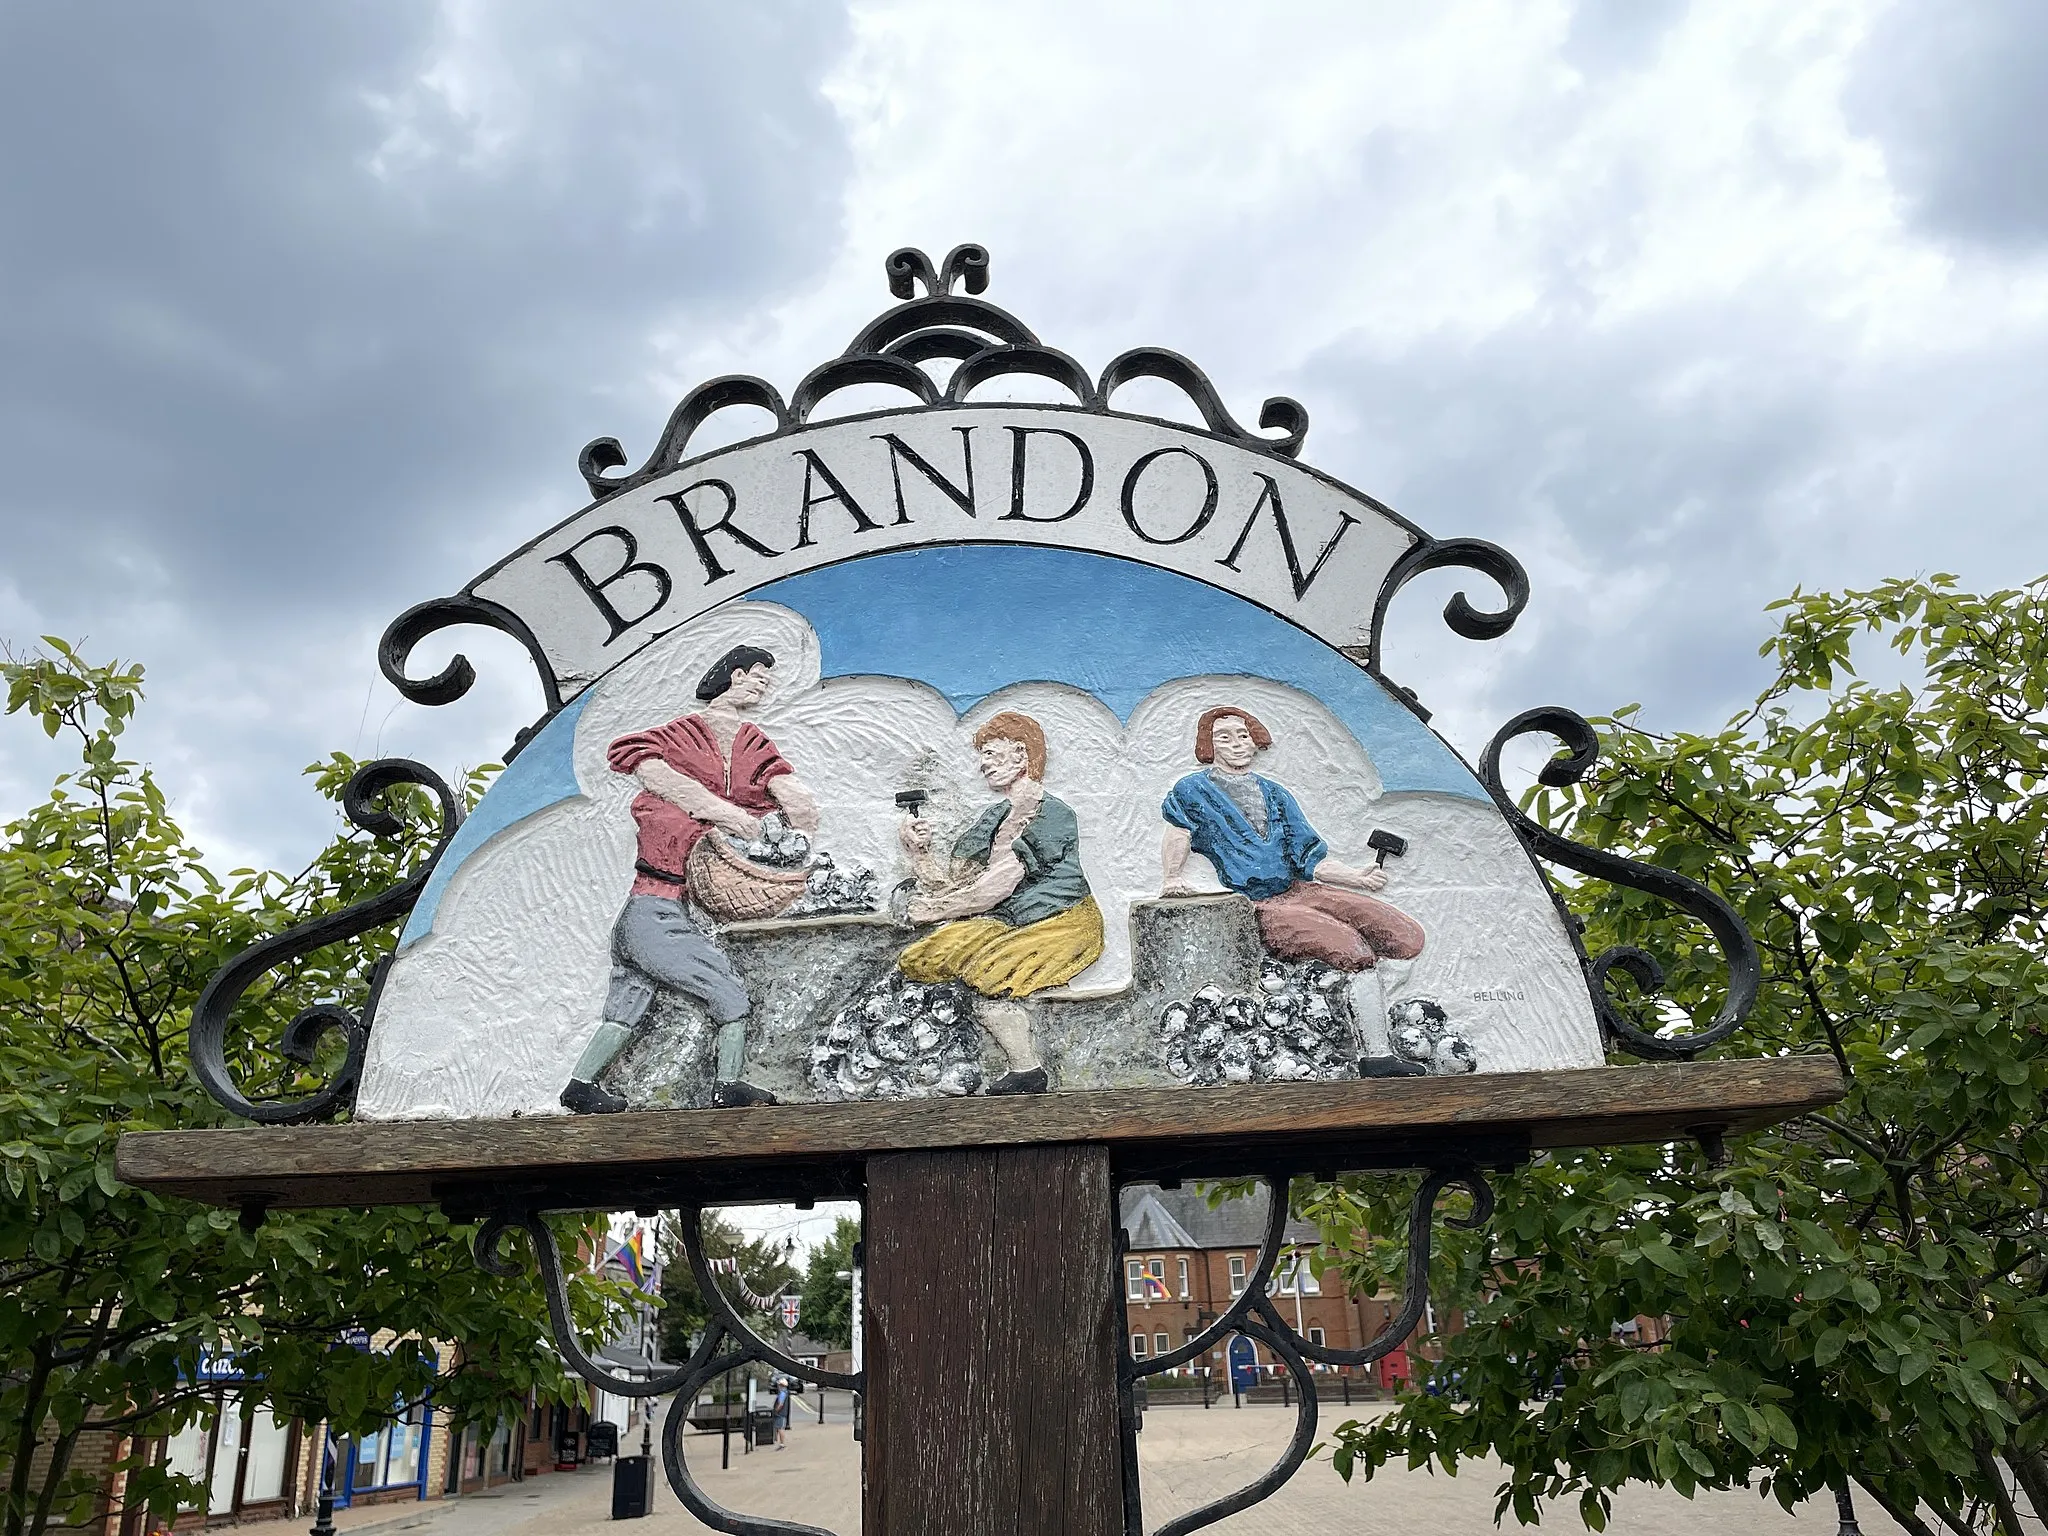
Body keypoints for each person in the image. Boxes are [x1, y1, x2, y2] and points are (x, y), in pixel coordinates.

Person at [559, 644, 820, 1114]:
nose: (763, 684)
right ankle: (727, 1085)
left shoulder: (750, 740)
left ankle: (580, 1085)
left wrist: (796, 808)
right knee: (729, 993)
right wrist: (726, 814)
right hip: (658, 911)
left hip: (641, 912)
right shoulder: (682, 735)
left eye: (767, 678)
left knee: (626, 1004)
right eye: (757, 675)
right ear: (733, 676)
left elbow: (782, 785)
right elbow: (641, 761)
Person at [897, 711, 1103, 1095]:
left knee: (987, 974)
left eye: (991, 754)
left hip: (1062, 922)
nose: (983, 765)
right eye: (983, 756)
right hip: (1009, 920)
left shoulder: (1053, 815)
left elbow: (997, 886)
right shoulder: (995, 817)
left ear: (1022, 755)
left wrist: (935, 910)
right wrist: (919, 852)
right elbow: (954, 882)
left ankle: (1026, 1070)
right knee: (924, 957)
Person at [1160, 705, 1425, 973]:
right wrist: (1172, 877)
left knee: (1404, 936)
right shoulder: (1194, 790)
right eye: (1224, 738)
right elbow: (1179, 831)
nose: (1236, 745)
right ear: (1210, 744)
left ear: (1255, 742)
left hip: (1298, 890)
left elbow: (1308, 856)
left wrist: (1357, 878)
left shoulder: (1276, 794)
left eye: (1243, 736)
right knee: (1350, 950)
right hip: (1253, 902)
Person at [771, 1377, 791, 1448]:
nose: (778, 1386)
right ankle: (779, 1442)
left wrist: (776, 1410)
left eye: (779, 1385)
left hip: (780, 1413)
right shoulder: (785, 1392)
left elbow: (781, 1404)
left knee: (780, 1428)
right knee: (779, 1427)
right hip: (782, 1413)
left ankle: (782, 1444)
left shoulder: (782, 1393)